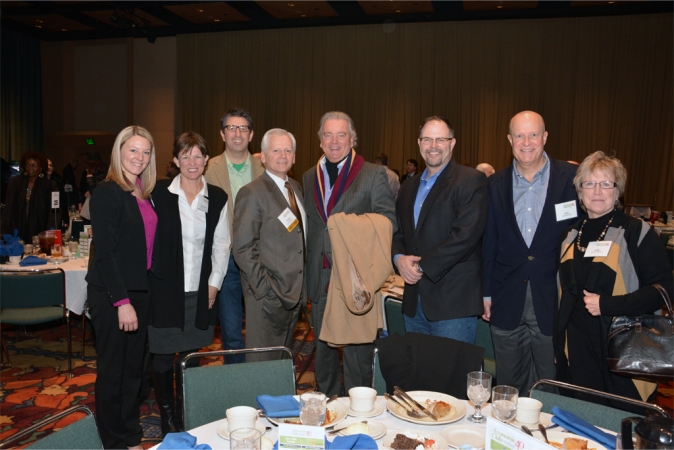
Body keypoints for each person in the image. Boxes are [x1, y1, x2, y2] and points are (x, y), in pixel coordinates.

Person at [555, 151, 673, 402]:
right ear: (580, 192)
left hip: (622, 348)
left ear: (617, 191)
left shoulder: (635, 231)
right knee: (581, 421)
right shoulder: (570, 234)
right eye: (589, 183)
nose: (597, 191)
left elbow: (664, 288)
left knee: (620, 424)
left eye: (606, 183)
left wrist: (608, 305)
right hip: (576, 348)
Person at [482, 110, 580, 396]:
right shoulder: (494, 184)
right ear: (510, 139)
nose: (527, 142)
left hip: (554, 298)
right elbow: (489, 241)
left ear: (545, 137)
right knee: (507, 388)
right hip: (505, 296)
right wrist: (486, 293)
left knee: (550, 386)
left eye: (533, 134)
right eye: (520, 135)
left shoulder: (572, 179)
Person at [302, 111, 396, 397]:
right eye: (327, 135)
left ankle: (359, 411)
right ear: (319, 141)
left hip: (355, 280)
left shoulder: (373, 174)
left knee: (357, 354)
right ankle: (328, 407)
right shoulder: (308, 177)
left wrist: (344, 226)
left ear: (352, 139)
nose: (334, 141)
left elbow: (387, 223)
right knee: (324, 352)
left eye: (341, 134)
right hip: (320, 278)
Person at [148, 132, 230, 435]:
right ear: (175, 160)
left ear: (207, 160)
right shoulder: (157, 194)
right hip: (164, 288)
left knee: (191, 355)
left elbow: (222, 245)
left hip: (200, 288)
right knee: (161, 354)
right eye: (186, 156)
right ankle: (167, 415)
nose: (192, 162)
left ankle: (185, 410)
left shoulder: (218, 197)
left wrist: (214, 283)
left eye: (198, 156)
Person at [85, 126, 157, 449]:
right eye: (133, 150)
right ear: (119, 151)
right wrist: (122, 301)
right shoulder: (107, 192)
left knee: (133, 371)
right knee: (113, 371)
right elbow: (106, 254)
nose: (139, 158)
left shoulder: (142, 191)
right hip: (114, 295)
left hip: (140, 292)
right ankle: (111, 440)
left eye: (145, 152)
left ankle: (129, 432)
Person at [392, 116, 488, 343]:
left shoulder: (471, 180)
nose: (433, 146)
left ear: (452, 143)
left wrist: (419, 265)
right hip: (414, 302)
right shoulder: (408, 186)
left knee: (451, 375)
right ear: (419, 143)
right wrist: (398, 258)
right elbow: (398, 232)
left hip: (453, 303)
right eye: (427, 139)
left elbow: (465, 237)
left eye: (440, 139)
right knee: (419, 375)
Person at [233, 129, 305, 362]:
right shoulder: (251, 193)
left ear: (294, 156)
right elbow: (243, 248)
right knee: (262, 366)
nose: (282, 155)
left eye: (288, 150)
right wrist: (265, 289)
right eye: (276, 150)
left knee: (282, 361)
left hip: (293, 293)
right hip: (268, 296)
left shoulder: (295, 188)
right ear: (263, 156)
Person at [204, 108, 264, 364]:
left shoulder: (266, 166)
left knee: (261, 330)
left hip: (260, 259)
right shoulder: (208, 168)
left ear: (251, 135)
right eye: (231, 128)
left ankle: (260, 381)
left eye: (243, 129)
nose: (237, 133)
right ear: (222, 133)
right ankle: (237, 391)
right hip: (225, 259)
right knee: (230, 332)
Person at [1, 151, 56, 241]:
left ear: (41, 168)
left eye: (34, 165)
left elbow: (53, 210)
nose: (30, 168)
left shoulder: (49, 185)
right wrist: (4, 229)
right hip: (17, 226)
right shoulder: (15, 182)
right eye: (28, 165)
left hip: (40, 227)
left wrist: (51, 229)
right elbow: (8, 207)